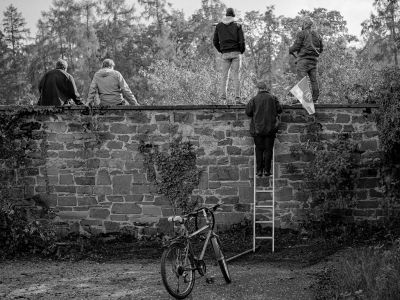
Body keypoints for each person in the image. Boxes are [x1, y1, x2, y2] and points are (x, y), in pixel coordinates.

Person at [246, 80, 282, 177]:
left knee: (259, 150)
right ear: (266, 88)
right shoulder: (273, 98)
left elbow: (248, 112)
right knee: (268, 149)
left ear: (258, 89)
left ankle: (259, 171)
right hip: (270, 129)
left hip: (257, 129)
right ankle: (266, 170)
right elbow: (280, 110)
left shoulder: (254, 99)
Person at [213, 7, 245, 105]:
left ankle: (223, 100)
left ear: (226, 15)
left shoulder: (219, 26)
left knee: (224, 77)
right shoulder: (238, 25)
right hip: (236, 52)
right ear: (233, 16)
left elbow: (215, 41)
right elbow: (242, 40)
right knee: (236, 76)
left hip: (225, 54)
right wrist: (241, 50)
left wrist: (221, 50)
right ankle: (237, 99)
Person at [289, 17, 323, 103]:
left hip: (303, 61)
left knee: (302, 81)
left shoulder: (302, 33)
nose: (302, 25)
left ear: (305, 24)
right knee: (313, 80)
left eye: (303, 23)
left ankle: (306, 100)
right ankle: (315, 98)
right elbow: (321, 49)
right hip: (314, 61)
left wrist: (290, 49)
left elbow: (296, 46)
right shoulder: (318, 35)